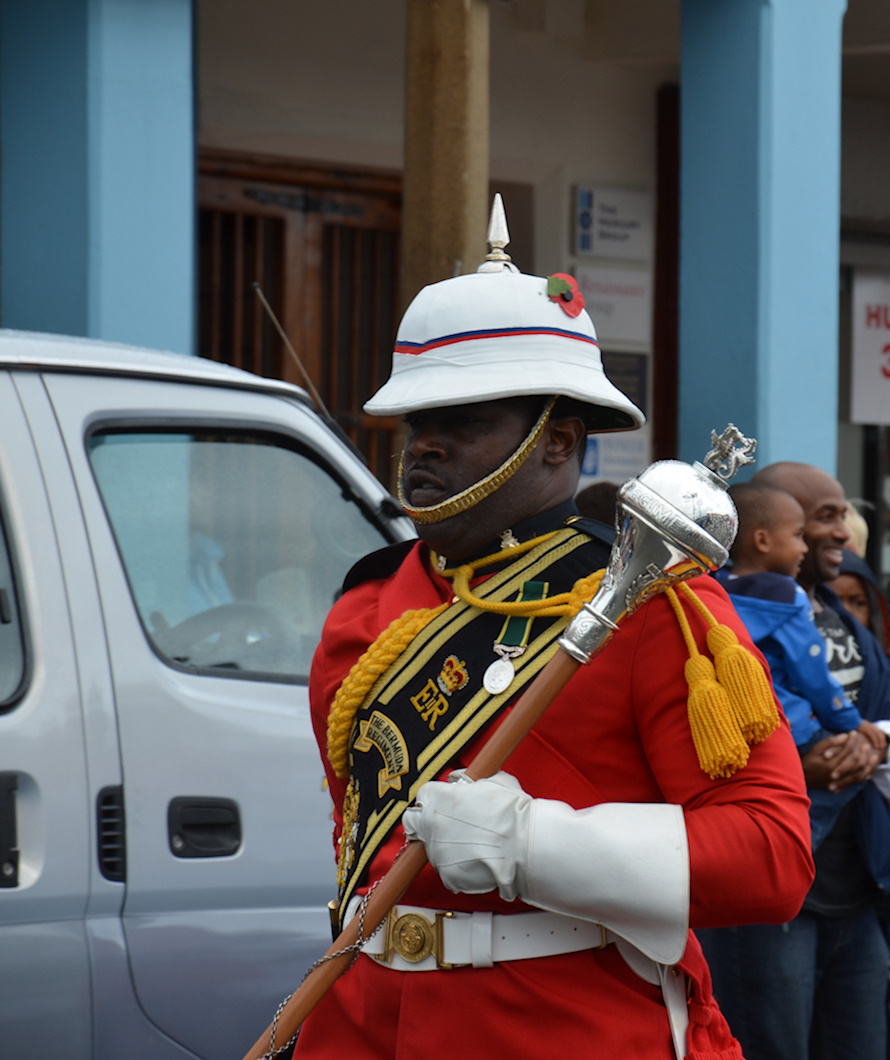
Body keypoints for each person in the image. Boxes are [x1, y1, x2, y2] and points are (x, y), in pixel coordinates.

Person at [296, 216, 813, 1059]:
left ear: (560, 441)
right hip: (359, 1020)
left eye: (463, 419)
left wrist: (532, 845)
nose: (424, 442)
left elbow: (771, 856)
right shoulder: (367, 600)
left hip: (560, 1023)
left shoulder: (653, 603)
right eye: (413, 416)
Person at [698, 462, 890, 1060]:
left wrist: (874, 744)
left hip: (855, 881)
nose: (843, 532)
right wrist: (796, 760)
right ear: (763, 530)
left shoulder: (849, 615)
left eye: (843, 515)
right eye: (822, 518)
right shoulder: (709, 610)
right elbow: (707, 731)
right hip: (770, 885)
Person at [715, 481, 882, 750]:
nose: (804, 548)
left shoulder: (713, 589)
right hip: (791, 725)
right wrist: (850, 720)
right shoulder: (787, 597)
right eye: (797, 536)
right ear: (763, 541)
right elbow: (811, 673)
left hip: (735, 725)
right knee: (858, 766)